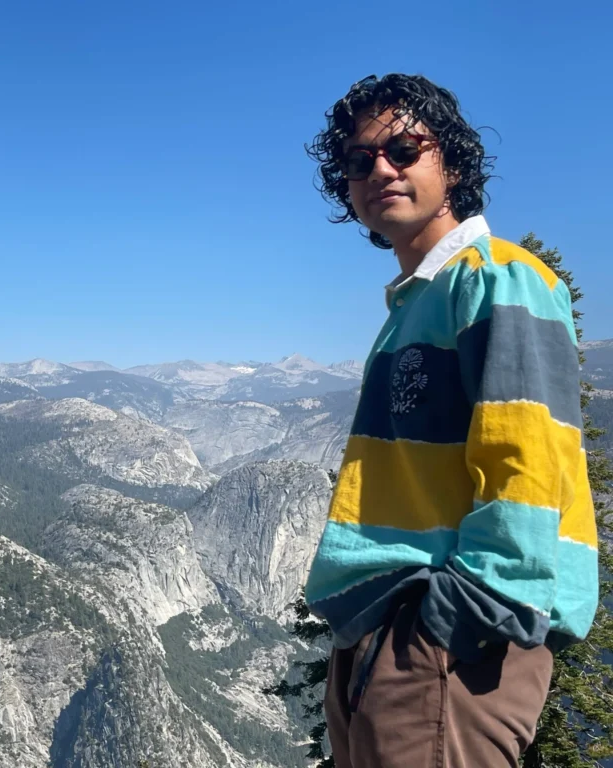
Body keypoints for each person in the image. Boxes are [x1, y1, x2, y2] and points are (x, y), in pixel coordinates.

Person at [303, 73, 599, 768]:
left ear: (454, 165)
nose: (381, 169)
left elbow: (528, 460)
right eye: (359, 160)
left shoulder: (497, 278)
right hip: (388, 638)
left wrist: (456, 621)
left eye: (405, 148)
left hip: (445, 649)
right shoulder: (417, 302)